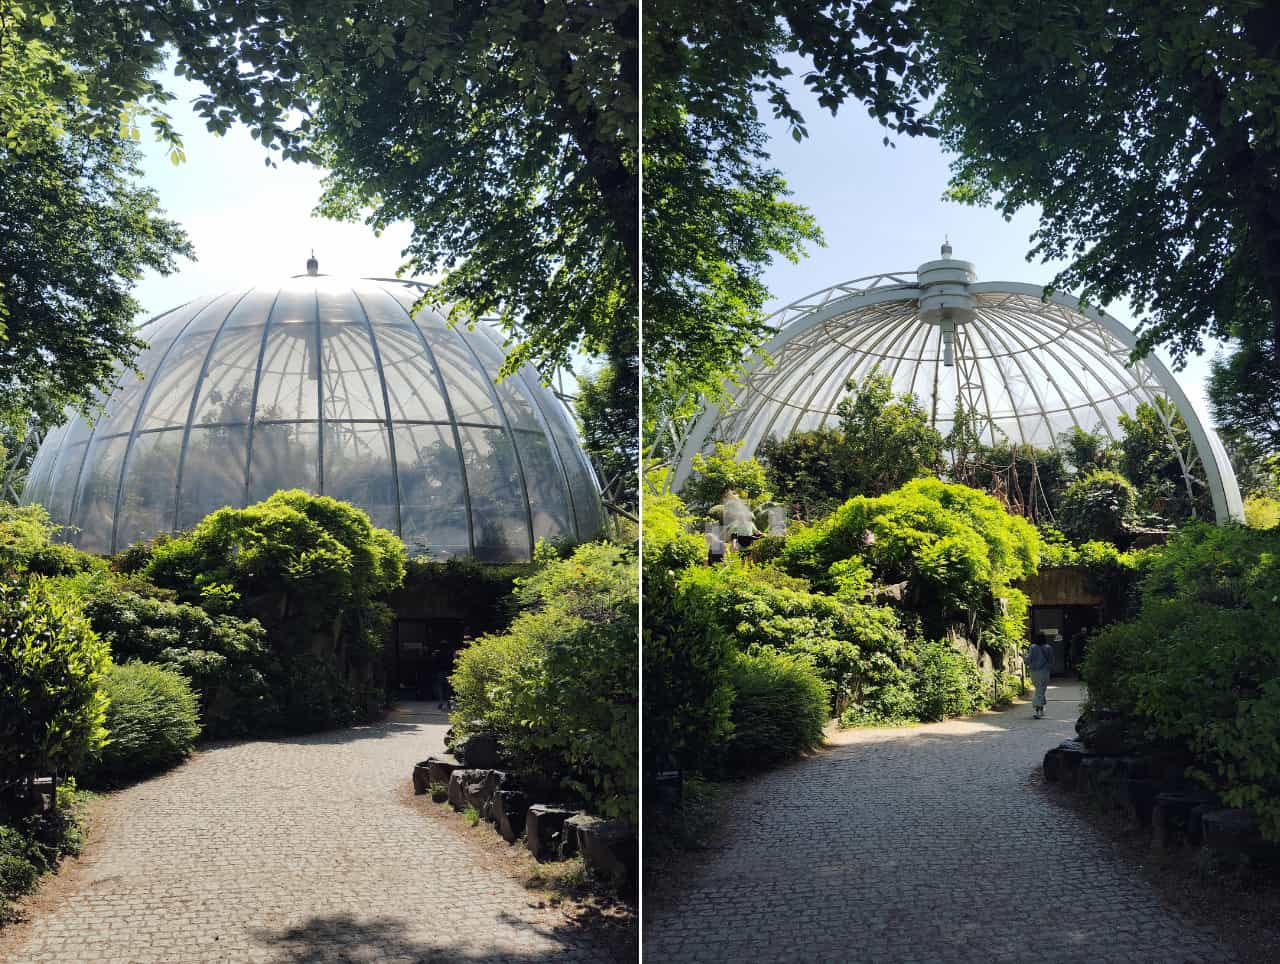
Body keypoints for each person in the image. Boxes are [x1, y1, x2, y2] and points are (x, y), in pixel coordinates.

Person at [1026, 636, 1055, 719]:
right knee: (1041, 690)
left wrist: (1024, 658)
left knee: (1039, 689)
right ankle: (1039, 711)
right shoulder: (1048, 648)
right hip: (1044, 671)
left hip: (1034, 671)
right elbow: (1051, 659)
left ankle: (1040, 710)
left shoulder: (1033, 647)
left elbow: (1029, 659)